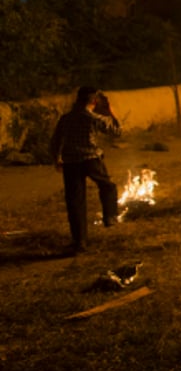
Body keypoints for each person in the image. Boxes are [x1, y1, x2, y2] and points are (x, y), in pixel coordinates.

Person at [48, 86, 123, 253]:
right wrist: (110, 111)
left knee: (75, 202)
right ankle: (110, 216)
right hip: (91, 159)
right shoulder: (93, 118)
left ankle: (79, 241)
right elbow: (117, 132)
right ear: (94, 101)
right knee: (107, 186)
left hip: (71, 162)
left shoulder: (66, 118)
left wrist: (56, 158)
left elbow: (55, 141)